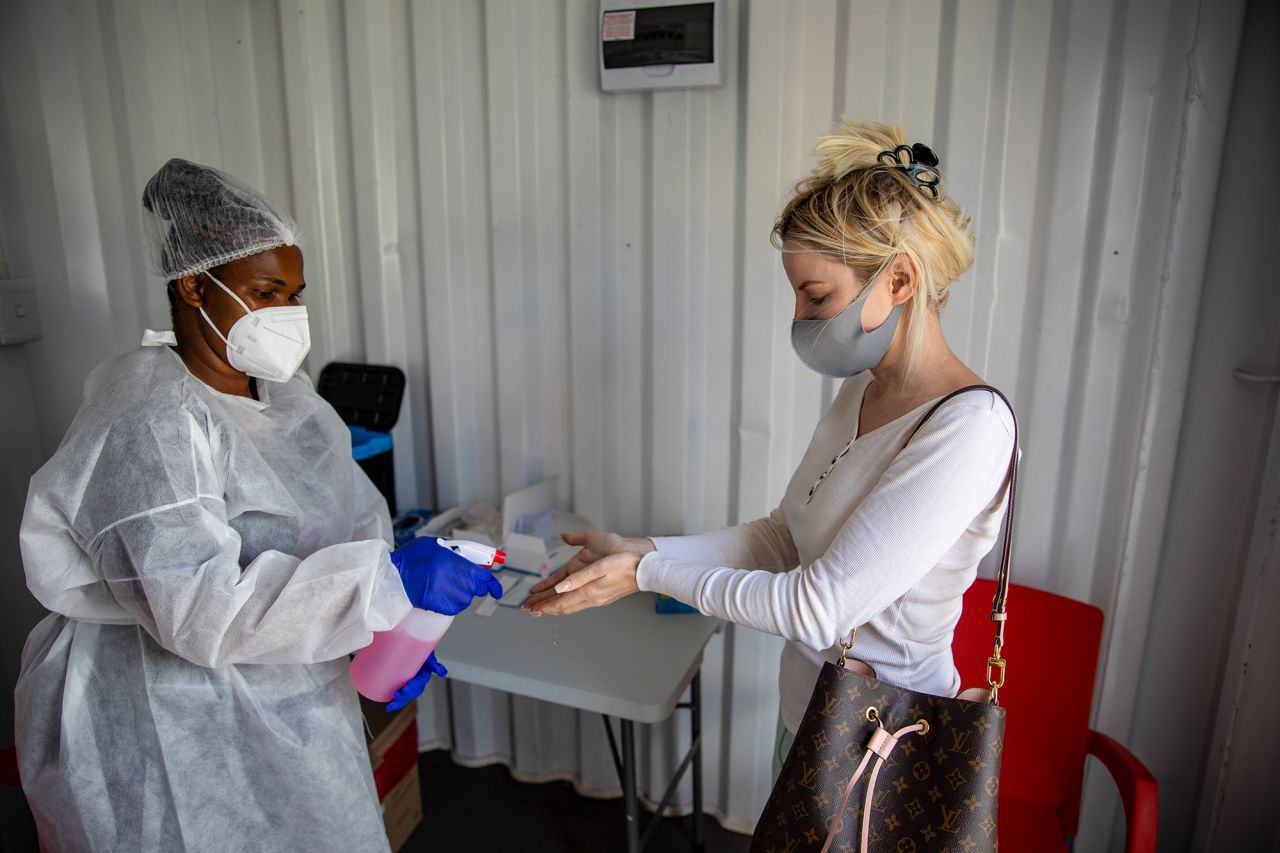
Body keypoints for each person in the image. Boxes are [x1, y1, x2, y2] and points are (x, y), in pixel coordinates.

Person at [15, 158, 501, 852]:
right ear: (192, 284)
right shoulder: (148, 419)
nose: (287, 315)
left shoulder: (291, 402)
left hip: (289, 706)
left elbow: (345, 533)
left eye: (295, 293)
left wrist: (387, 625)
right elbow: (197, 608)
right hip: (170, 723)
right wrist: (381, 586)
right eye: (265, 290)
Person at [524, 121, 1016, 775]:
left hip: (883, 749)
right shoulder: (863, 394)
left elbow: (821, 608)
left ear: (899, 280)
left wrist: (644, 576)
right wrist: (641, 549)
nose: (801, 319)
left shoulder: (969, 427)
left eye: (817, 296)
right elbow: (783, 538)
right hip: (811, 720)